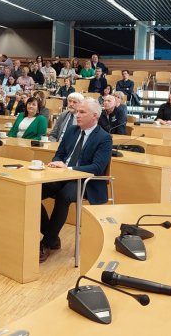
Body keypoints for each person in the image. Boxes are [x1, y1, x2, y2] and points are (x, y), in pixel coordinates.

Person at [40, 98, 112, 262]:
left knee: (64, 196)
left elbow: (97, 168)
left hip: (86, 181)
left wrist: (69, 169)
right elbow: (59, 154)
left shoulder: (104, 137)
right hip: (62, 176)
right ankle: (52, 237)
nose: (77, 115)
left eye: (82, 112)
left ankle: (47, 242)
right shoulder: (72, 131)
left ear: (94, 116)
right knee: (34, 191)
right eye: (77, 111)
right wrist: (56, 164)